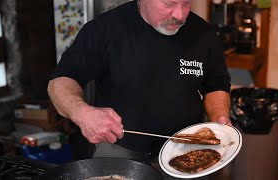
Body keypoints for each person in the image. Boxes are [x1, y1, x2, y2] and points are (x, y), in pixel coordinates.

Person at [48, 0, 231, 179]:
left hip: (187, 147)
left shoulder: (204, 34)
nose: (180, 15)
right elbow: (60, 82)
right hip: (119, 149)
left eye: (186, 3)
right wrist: (82, 113)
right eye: (169, 4)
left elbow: (217, 84)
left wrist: (219, 120)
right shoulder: (104, 29)